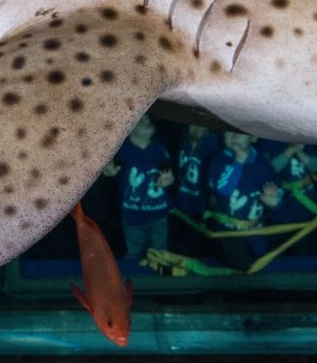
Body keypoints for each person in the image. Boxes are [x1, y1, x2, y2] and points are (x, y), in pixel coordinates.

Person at [206, 131, 280, 271]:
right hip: (228, 230)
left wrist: (274, 201)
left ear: (253, 137)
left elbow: (276, 185)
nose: (234, 136)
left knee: (261, 262)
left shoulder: (261, 161)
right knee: (242, 267)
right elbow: (223, 190)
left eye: (240, 132)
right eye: (228, 131)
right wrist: (239, 162)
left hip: (256, 228)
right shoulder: (217, 160)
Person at [103, 115, 174, 260]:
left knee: (161, 254)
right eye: (141, 120)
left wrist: (169, 180)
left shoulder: (159, 147)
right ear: (129, 128)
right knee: (135, 253)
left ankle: (161, 282)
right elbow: (108, 166)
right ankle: (134, 281)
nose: (147, 122)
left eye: (149, 120)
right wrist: (107, 170)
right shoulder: (121, 149)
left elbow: (168, 172)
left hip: (159, 214)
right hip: (132, 216)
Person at [256, 140, 317, 255]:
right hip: (280, 208)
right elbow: (270, 168)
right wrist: (290, 150)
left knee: (307, 250)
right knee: (279, 251)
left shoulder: (308, 140)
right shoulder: (269, 142)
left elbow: (316, 167)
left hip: (307, 206)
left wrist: (300, 152)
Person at [169, 124, 221, 256]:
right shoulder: (183, 135)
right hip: (181, 197)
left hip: (201, 200)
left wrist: (212, 198)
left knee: (198, 240)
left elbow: (215, 173)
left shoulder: (211, 141)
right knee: (182, 236)